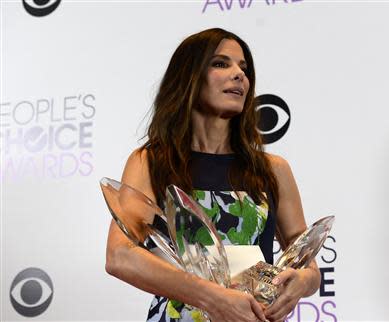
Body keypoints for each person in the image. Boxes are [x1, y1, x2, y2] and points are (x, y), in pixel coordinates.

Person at [105, 28, 321, 322]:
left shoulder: (273, 169)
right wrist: (213, 298)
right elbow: (120, 256)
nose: (239, 74)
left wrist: (303, 283)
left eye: (243, 68)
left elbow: (306, 261)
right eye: (221, 63)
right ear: (189, 77)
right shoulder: (151, 161)